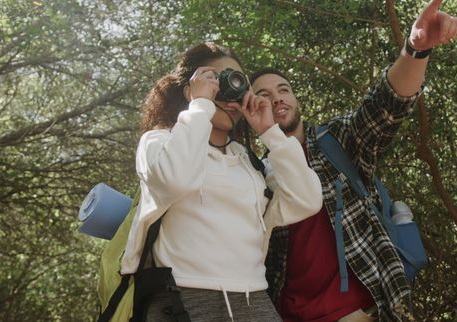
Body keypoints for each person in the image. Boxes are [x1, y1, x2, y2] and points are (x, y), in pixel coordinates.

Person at [251, 0, 457, 322]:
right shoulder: (253, 175)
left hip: (363, 311)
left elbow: (385, 106)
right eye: (263, 95)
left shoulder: (337, 140)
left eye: (284, 90)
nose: (277, 99)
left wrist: (415, 50)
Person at [120, 42, 323, 321]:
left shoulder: (249, 163)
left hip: (255, 301)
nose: (229, 91)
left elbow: (308, 200)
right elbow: (175, 181)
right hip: (182, 299)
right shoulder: (159, 142)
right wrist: (200, 105)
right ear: (190, 88)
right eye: (216, 80)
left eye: (237, 82)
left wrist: (270, 133)